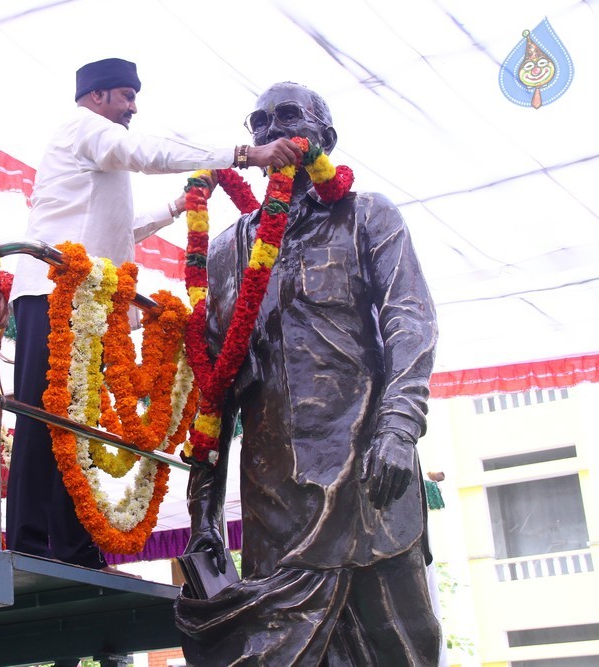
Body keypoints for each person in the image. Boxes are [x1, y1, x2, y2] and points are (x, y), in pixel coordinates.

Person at [174, 82, 441, 665]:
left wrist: (399, 427)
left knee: (402, 644)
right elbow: (212, 387)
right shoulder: (227, 251)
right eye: (259, 122)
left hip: (372, 473)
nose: (272, 130)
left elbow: (410, 321)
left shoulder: (368, 215)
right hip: (277, 496)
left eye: (289, 116)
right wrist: (204, 511)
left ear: (328, 137)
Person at [6, 57, 303, 572]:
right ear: (97, 96)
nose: (133, 107)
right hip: (51, 293)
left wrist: (172, 210)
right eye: (126, 95)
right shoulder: (85, 128)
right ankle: (31, 544)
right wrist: (243, 154)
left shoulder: (95, 143)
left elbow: (113, 231)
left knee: (77, 424)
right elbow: (147, 153)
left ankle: (71, 546)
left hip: (85, 298)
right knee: (45, 415)